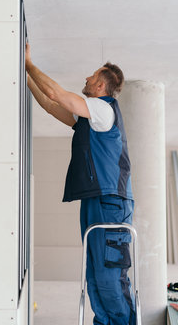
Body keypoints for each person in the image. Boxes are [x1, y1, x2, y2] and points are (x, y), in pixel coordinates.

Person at [25, 42, 136, 325]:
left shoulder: (103, 109)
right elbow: (51, 105)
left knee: (109, 275)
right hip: (96, 199)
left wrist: (28, 64)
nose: (86, 79)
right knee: (95, 273)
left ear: (101, 85)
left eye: (91, 76)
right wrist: (24, 76)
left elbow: (56, 94)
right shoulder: (90, 117)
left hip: (111, 202)